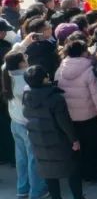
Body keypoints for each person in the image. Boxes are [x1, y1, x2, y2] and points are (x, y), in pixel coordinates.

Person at [23, 65, 83, 199]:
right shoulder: (55, 98)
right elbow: (64, 123)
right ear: (44, 78)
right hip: (59, 141)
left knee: (48, 173)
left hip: (38, 140)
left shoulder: (27, 96)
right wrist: (74, 140)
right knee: (72, 171)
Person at [55, 40, 97, 182]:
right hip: (89, 116)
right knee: (90, 148)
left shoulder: (60, 70)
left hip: (69, 117)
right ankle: (91, 175)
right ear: (83, 52)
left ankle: (78, 174)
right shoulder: (89, 71)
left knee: (75, 147)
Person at [4, 52, 48, 199]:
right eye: (25, 59)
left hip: (15, 122)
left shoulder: (6, 74)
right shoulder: (25, 80)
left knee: (21, 158)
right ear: (20, 64)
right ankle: (37, 191)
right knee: (33, 159)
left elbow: (8, 59)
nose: (27, 60)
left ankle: (22, 188)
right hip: (27, 124)